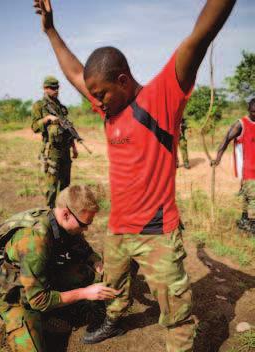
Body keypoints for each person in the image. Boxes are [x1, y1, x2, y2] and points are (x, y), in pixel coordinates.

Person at [33, 0, 236, 350]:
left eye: (101, 95)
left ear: (123, 81)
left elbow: (199, 37)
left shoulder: (162, 98)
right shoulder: (110, 106)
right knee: (113, 282)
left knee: (175, 311)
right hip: (118, 227)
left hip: (157, 233)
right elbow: (76, 73)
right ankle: (113, 319)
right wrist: (51, 30)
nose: (97, 102)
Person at [0, 185, 120, 352]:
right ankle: (21, 317)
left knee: (84, 272)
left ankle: (56, 311)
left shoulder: (56, 220)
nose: (86, 229)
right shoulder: (35, 241)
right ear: (66, 214)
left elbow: (79, 245)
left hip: (37, 275)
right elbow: (38, 300)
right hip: (13, 292)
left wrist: (95, 261)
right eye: (84, 224)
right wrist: (85, 293)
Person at [31, 76, 79, 208]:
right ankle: (49, 211)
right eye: (52, 88)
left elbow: (68, 130)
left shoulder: (61, 108)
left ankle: (63, 209)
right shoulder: (39, 106)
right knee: (51, 185)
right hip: (52, 150)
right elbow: (34, 127)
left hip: (65, 150)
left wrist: (74, 147)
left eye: (57, 88)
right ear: (45, 89)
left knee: (65, 184)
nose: (56, 90)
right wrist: (47, 118)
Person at [211, 98, 255, 235]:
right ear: (248, 109)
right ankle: (251, 226)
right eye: (254, 112)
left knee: (247, 197)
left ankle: (244, 221)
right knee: (253, 197)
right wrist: (218, 158)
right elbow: (226, 139)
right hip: (249, 169)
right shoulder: (241, 124)